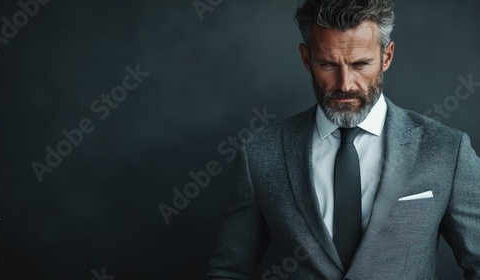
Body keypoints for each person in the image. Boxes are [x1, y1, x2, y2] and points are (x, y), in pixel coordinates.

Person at [205, 0, 480, 279]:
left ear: (386, 57)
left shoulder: (448, 151)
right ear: (306, 58)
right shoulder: (260, 153)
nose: (345, 84)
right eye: (327, 64)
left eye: (360, 64)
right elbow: (229, 270)